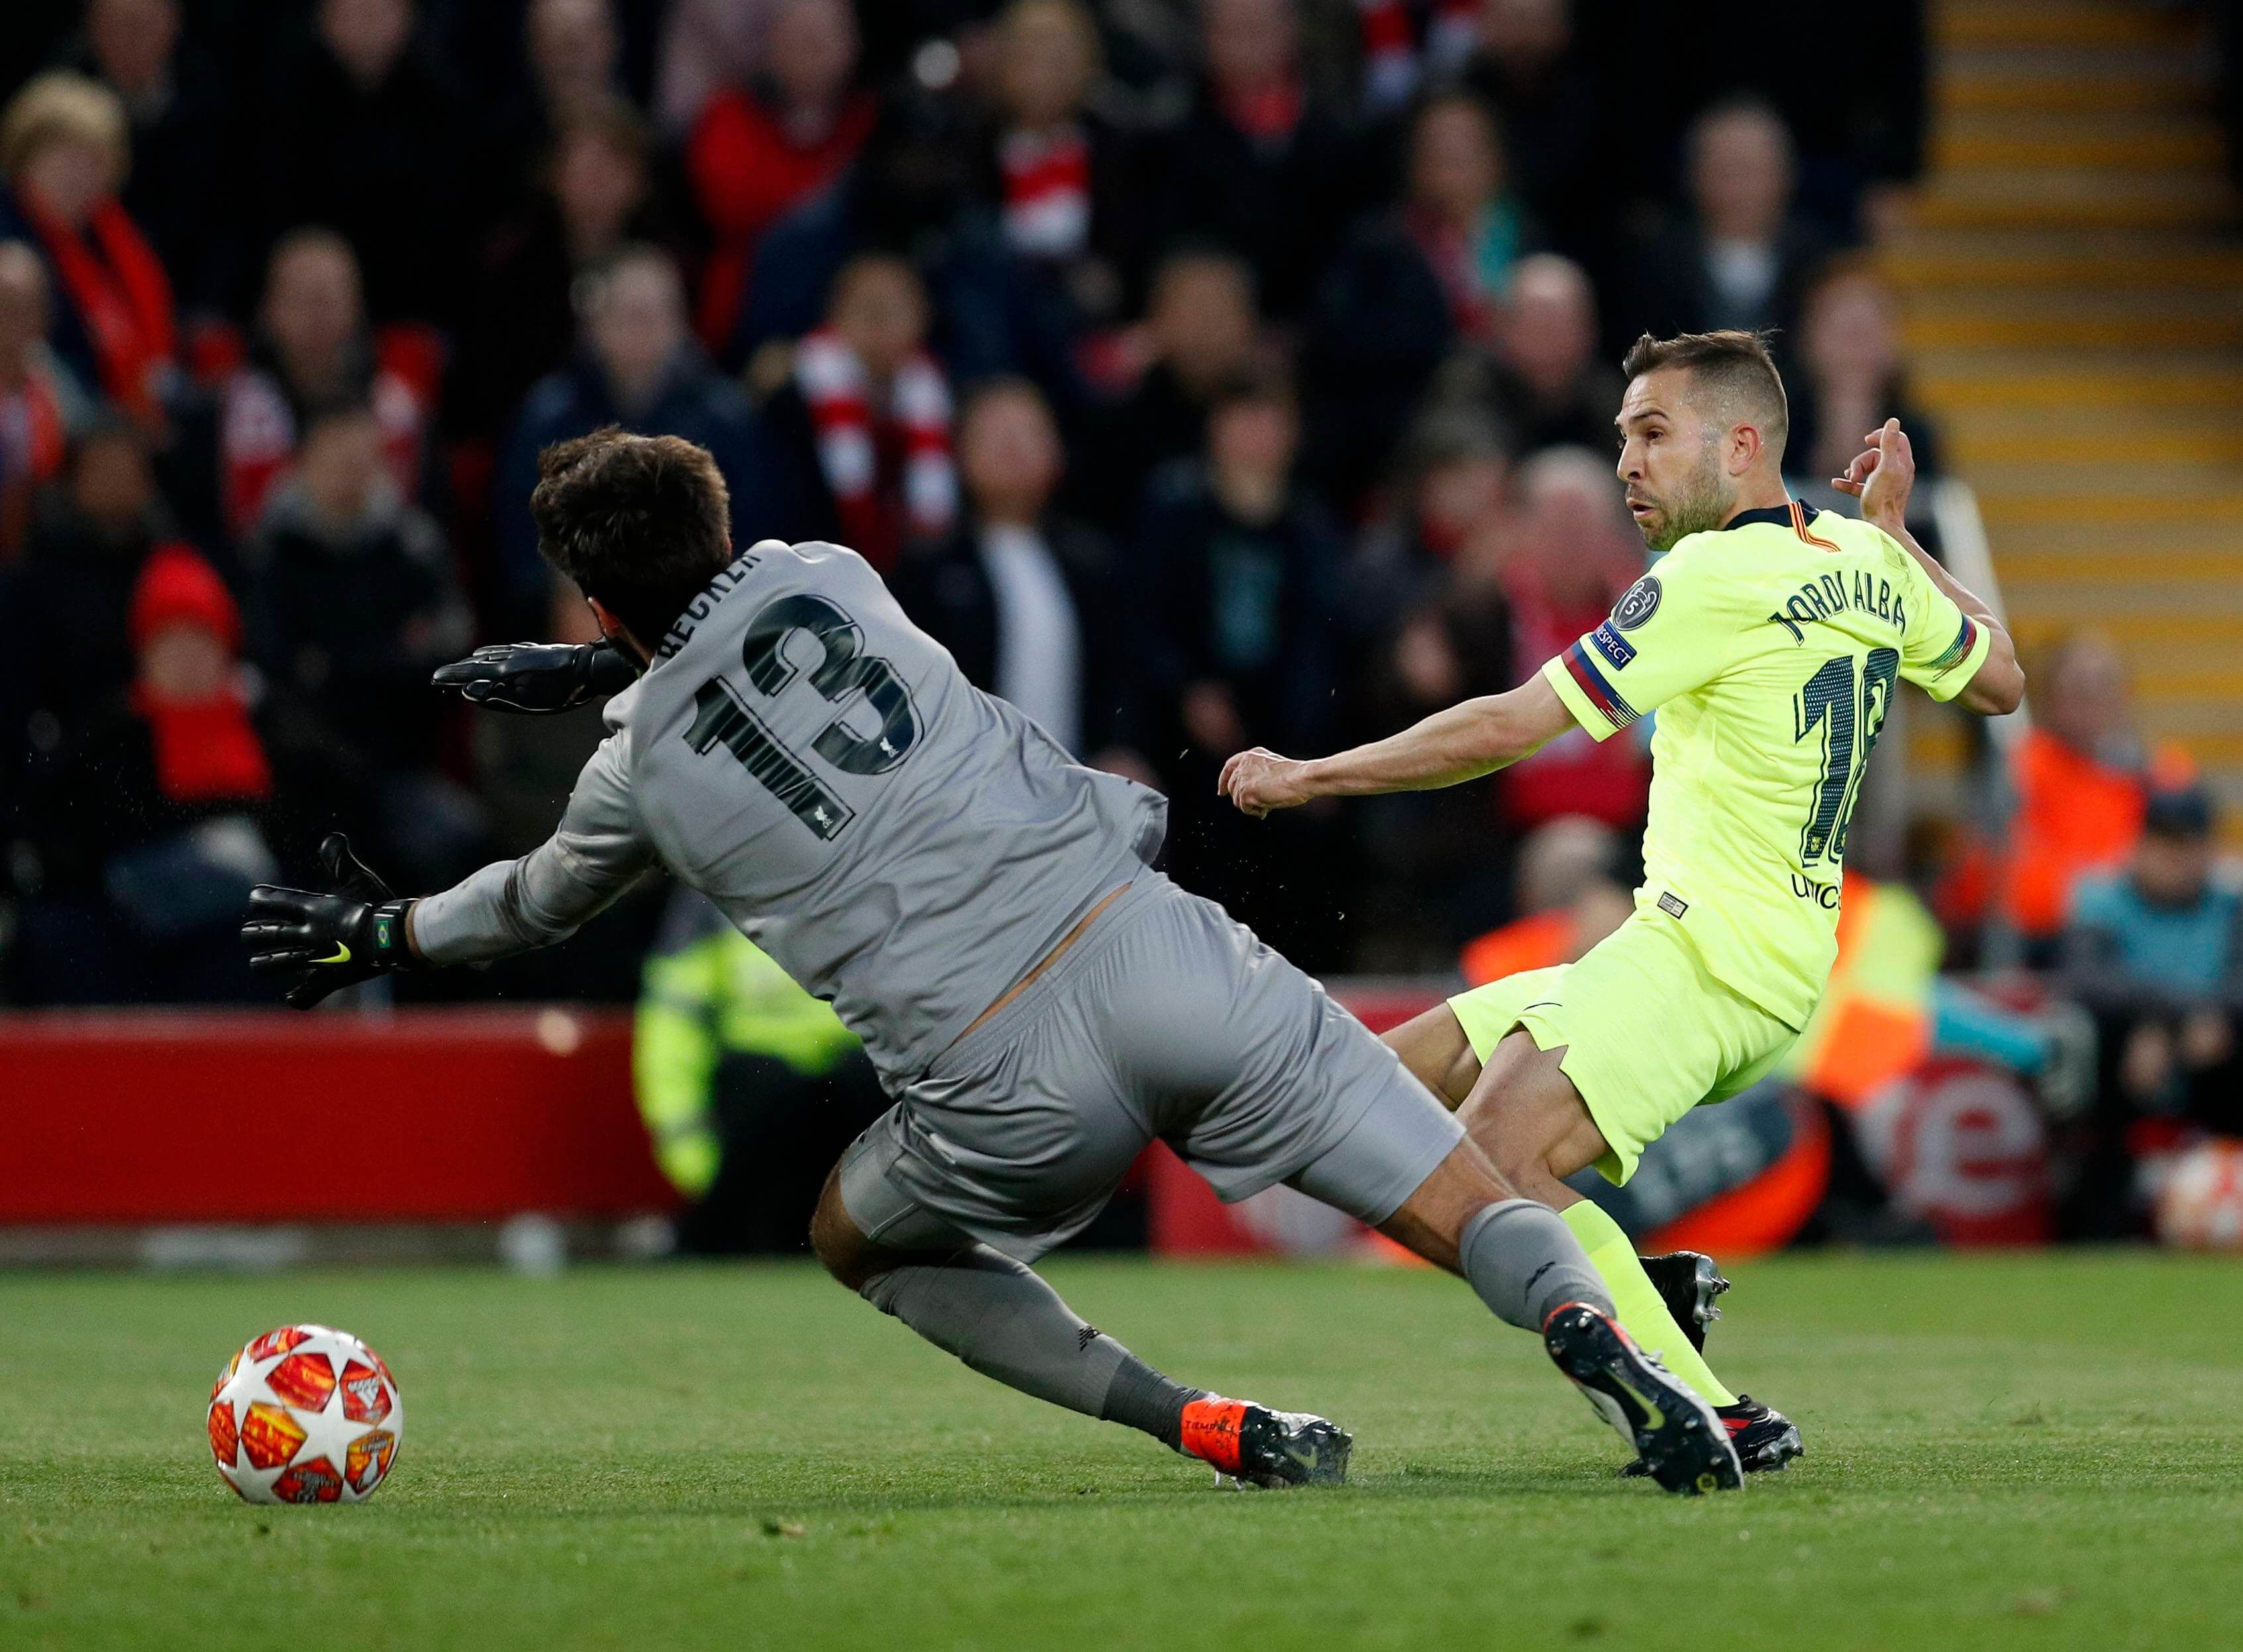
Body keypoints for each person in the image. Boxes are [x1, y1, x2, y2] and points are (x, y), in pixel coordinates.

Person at [241, 426, 1746, 1496]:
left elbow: (529, 904)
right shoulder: (826, 569)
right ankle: (1593, 1337)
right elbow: (735, 617)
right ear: (720, 525)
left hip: (992, 1081)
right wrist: (621, 650)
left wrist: (384, 927)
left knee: (856, 1232)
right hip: (1154, 949)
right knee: (1457, 1197)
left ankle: (1198, 1422)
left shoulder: (630, 769)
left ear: (592, 610)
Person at [1222, 330, 2027, 1473]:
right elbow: (2002, 676)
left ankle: (1709, 1406)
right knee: (1375, 1083)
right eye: (1621, 438)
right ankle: (1642, 1294)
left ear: (1741, 443)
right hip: (1751, 957)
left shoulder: (1706, 575)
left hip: (1706, 958)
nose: (1627, 464)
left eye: (1653, 433)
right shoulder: (1861, 556)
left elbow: (1509, 725)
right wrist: (1900, 536)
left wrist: (1313, 773)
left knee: (1492, 1153)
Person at [500, 245, 770, 626]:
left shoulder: (724, 417)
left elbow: (755, 532)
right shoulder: (549, 417)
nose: (650, 330)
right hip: (584, 610)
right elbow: (524, 545)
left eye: (664, 313)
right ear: (595, 323)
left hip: (703, 610)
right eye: (634, 315)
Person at [886, 377, 1135, 767]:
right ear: (961, 453)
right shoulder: (928, 567)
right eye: (996, 435)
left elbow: (1120, 676)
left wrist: (1121, 750)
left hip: (1076, 782)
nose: (1013, 447)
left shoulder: (1092, 563)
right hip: (955, 782)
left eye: (1027, 433)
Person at [636, 886, 890, 1255]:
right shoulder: (707, 899)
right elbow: (673, 1032)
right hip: (757, 1113)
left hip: (854, 1097)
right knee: (766, 1087)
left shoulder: (872, 880)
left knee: (862, 1077)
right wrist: (695, 1160)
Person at [686, 0, 876, 349]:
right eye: (798, 38)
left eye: (822, 39)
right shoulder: (727, 116)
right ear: (770, 45)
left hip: (851, 313)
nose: (810, 51)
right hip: (750, 311)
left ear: (853, 46)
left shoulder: (873, 122)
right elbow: (733, 206)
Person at [218, 229, 430, 539]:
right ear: (268, 311)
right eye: (302, 298)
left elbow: (429, 528)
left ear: (357, 306)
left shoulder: (400, 410)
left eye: (331, 297)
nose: (318, 314)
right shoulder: (223, 411)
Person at [757, 253, 957, 573]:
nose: (878, 321)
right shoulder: (791, 398)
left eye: (893, 308)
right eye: (865, 307)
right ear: (833, 315)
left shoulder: (946, 396)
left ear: (923, 316)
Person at [0, 72, 175, 428]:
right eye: (65, 158)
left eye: (94, 162)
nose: (78, 176)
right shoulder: (10, 239)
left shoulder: (113, 239)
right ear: (26, 158)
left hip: (120, 407)